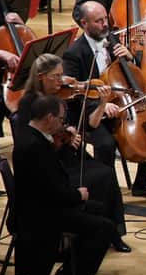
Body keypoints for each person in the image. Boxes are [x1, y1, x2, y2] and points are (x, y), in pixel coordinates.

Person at [13, 53, 131, 252]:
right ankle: (93, 230)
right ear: (41, 76)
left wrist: (69, 133)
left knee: (107, 174)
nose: (62, 81)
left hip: (67, 154)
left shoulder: (58, 95)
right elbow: (33, 143)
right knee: (101, 177)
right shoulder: (29, 103)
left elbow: (83, 125)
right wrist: (64, 137)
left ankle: (113, 233)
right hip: (53, 165)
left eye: (62, 75)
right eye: (56, 76)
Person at [63, 0, 146, 199]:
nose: (105, 24)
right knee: (105, 144)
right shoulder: (74, 54)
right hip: (90, 112)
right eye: (99, 21)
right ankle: (106, 192)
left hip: (123, 105)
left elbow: (134, 73)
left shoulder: (112, 39)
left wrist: (131, 58)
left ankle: (141, 184)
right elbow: (73, 92)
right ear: (84, 24)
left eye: (106, 19)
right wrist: (102, 105)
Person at [13, 94, 116, 275]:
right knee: (104, 228)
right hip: (43, 215)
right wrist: (77, 195)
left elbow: (49, 183)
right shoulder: (35, 147)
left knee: (101, 210)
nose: (62, 124)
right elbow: (52, 192)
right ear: (49, 118)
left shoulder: (31, 135)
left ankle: (72, 271)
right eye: (60, 119)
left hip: (43, 204)